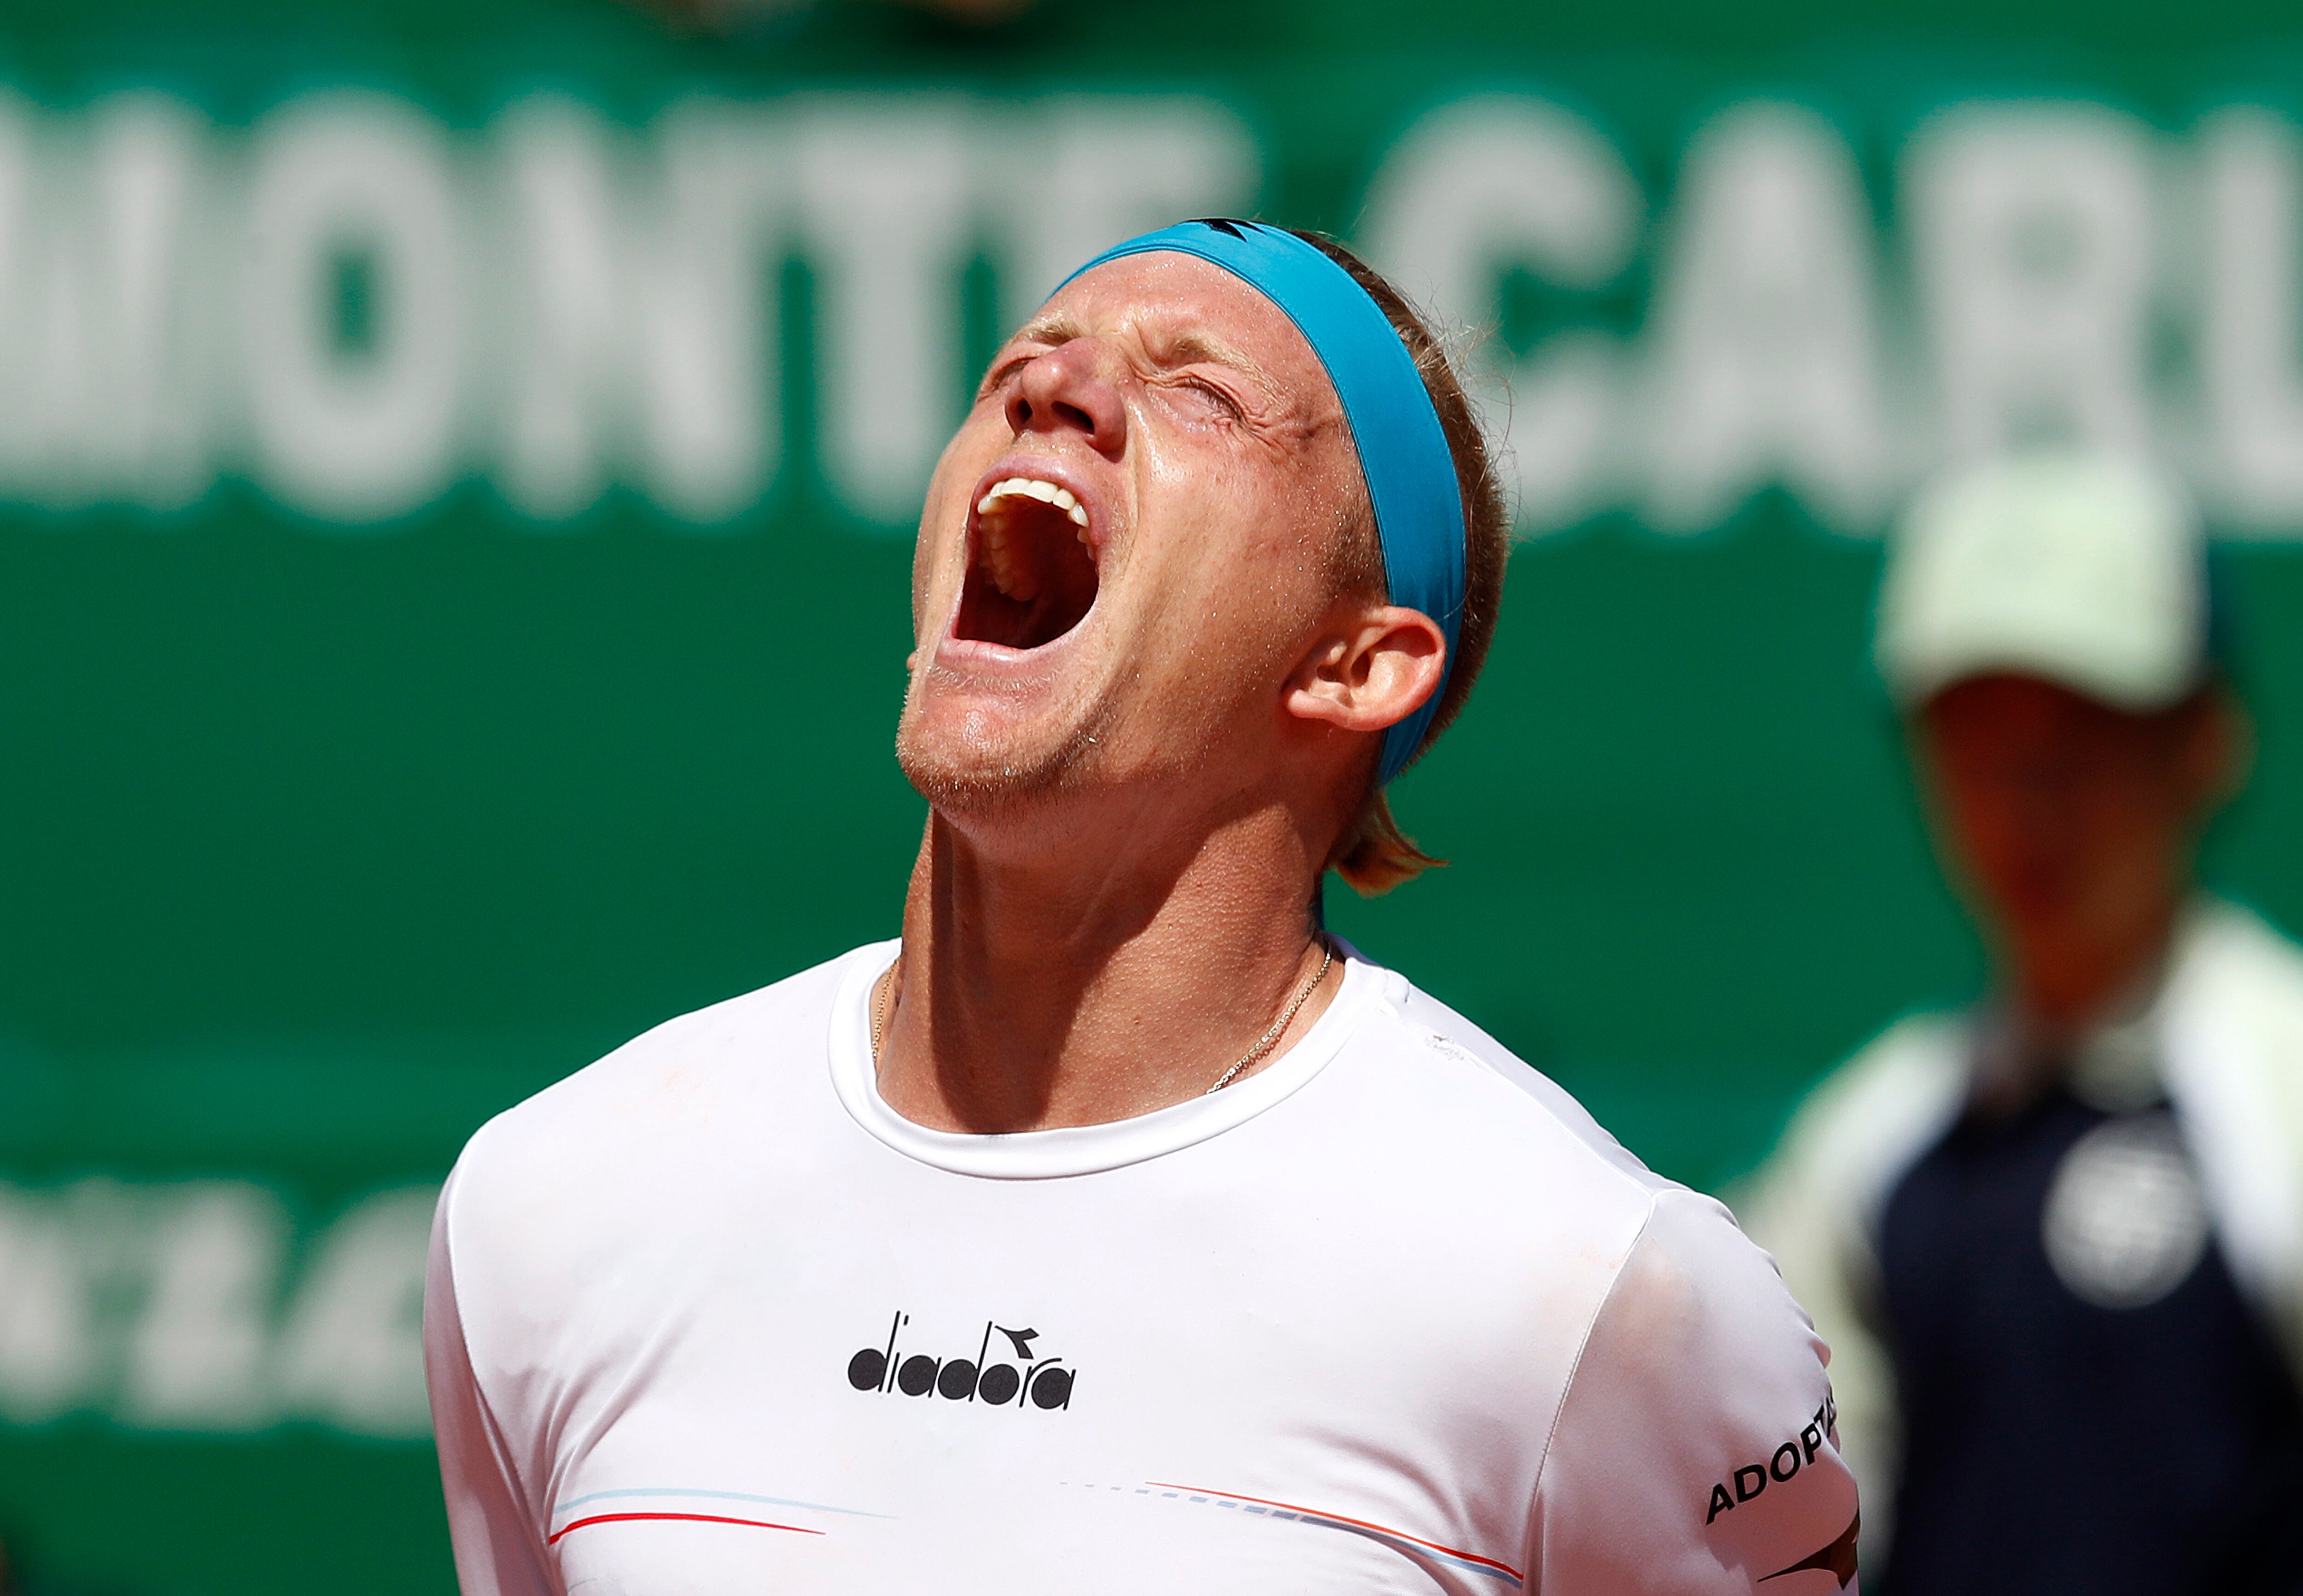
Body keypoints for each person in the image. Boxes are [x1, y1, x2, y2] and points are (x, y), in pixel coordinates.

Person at [423, 219, 1860, 1595]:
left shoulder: (1602, 1300)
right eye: (1015, 370)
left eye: (1204, 396)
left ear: (1355, 665)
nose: (1058, 385)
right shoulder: (548, 1208)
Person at [1742, 452, 2303, 1596]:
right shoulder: (1867, 1137)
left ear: (2205, 741)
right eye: (1976, 736)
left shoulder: (2279, 1085)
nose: (2025, 798)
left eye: (2080, 730)